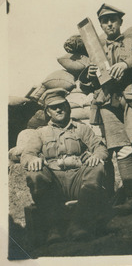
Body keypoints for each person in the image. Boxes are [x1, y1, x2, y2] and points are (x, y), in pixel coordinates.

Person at [79, 3, 132, 213]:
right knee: (122, 151)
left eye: (112, 19)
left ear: (120, 21)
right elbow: (86, 86)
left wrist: (126, 64)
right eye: (105, 21)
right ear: (101, 25)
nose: (109, 24)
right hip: (107, 104)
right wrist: (88, 77)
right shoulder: (95, 49)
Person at [21, 88, 112, 244]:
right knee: (35, 174)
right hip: (54, 183)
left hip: (78, 179)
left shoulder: (81, 128)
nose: (58, 109)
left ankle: (77, 225)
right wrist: (32, 160)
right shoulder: (40, 133)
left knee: (96, 167)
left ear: (68, 107)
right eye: (53, 107)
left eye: (62, 105)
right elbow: (26, 154)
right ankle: (54, 228)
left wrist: (97, 156)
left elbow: (100, 147)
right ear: (47, 112)